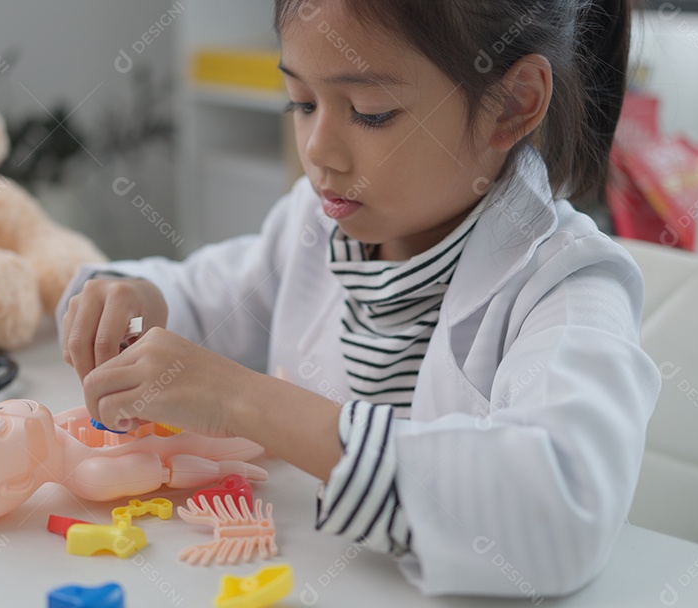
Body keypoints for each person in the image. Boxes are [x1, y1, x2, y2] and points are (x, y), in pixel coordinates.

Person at [58, 0, 660, 598]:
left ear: (512, 104)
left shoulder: (568, 285)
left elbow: (556, 514)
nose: (318, 150)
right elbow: (196, 302)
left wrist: (246, 400)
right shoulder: (314, 228)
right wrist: (133, 302)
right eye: (301, 102)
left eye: (371, 113)